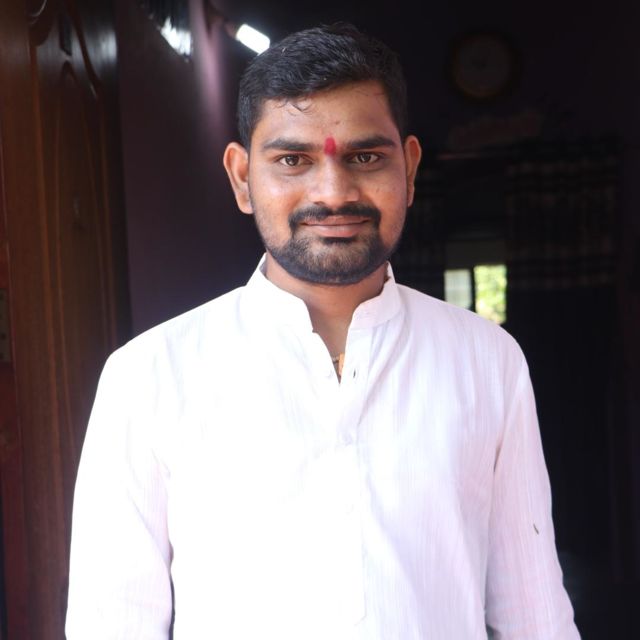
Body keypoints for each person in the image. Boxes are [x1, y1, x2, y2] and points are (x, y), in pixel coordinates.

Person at [65, 22, 580, 639]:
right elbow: (112, 624)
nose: (333, 193)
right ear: (241, 177)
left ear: (410, 168)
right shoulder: (148, 376)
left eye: (366, 157)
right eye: (293, 160)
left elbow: (534, 617)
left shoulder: (486, 359)